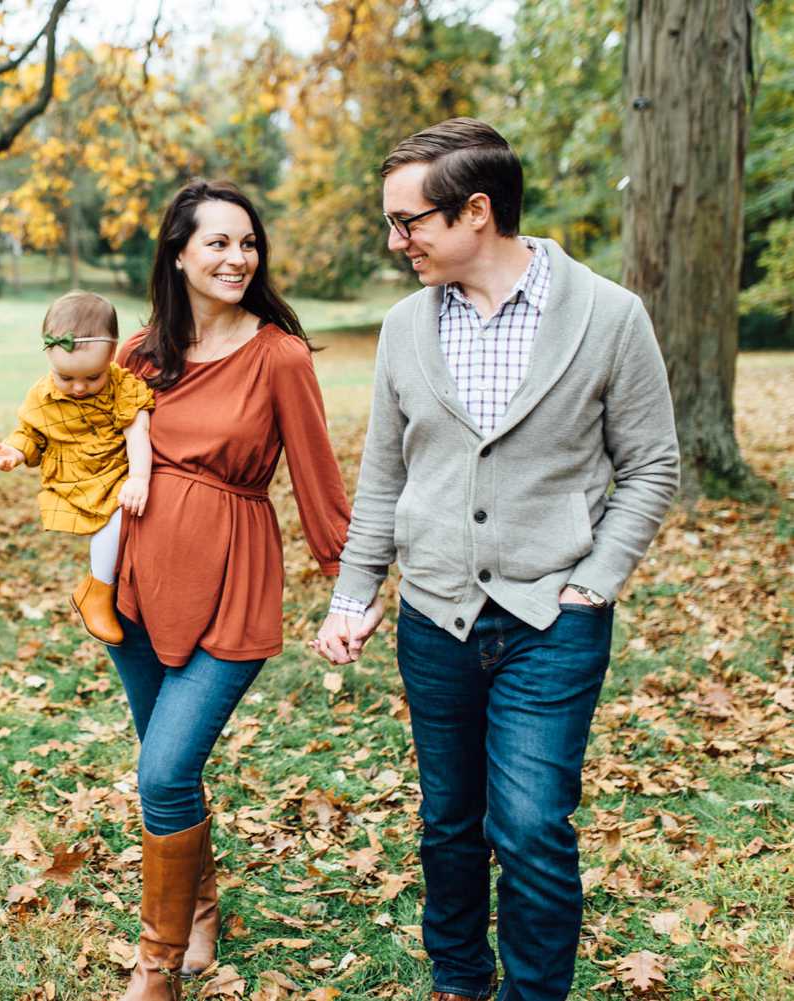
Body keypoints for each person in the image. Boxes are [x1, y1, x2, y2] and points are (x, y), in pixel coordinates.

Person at [314, 119, 679, 1001]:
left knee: (531, 826)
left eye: (410, 223)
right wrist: (353, 592)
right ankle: (459, 976)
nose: (396, 241)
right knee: (448, 821)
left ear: (476, 211)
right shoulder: (406, 327)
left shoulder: (609, 315)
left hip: (552, 619)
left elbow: (653, 464)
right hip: (433, 616)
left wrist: (594, 581)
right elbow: (383, 471)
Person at [109, 179, 351, 1000]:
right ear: (178, 253)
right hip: (138, 589)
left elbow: (319, 481)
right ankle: (200, 905)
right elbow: (92, 449)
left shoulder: (277, 353)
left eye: (247, 243)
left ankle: (156, 968)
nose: (236, 257)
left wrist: (347, 587)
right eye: (217, 242)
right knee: (163, 766)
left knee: (165, 769)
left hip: (232, 585)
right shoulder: (139, 357)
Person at [0, 290, 154, 645]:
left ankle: (100, 588)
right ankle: (98, 590)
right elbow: (31, 433)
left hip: (116, 471)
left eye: (92, 378)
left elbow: (138, 429)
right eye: (66, 377)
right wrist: (12, 453)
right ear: (48, 358)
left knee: (124, 512)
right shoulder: (42, 395)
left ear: (111, 354)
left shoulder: (123, 387)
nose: (78, 388)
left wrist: (139, 477)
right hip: (77, 476)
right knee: (114, 518)